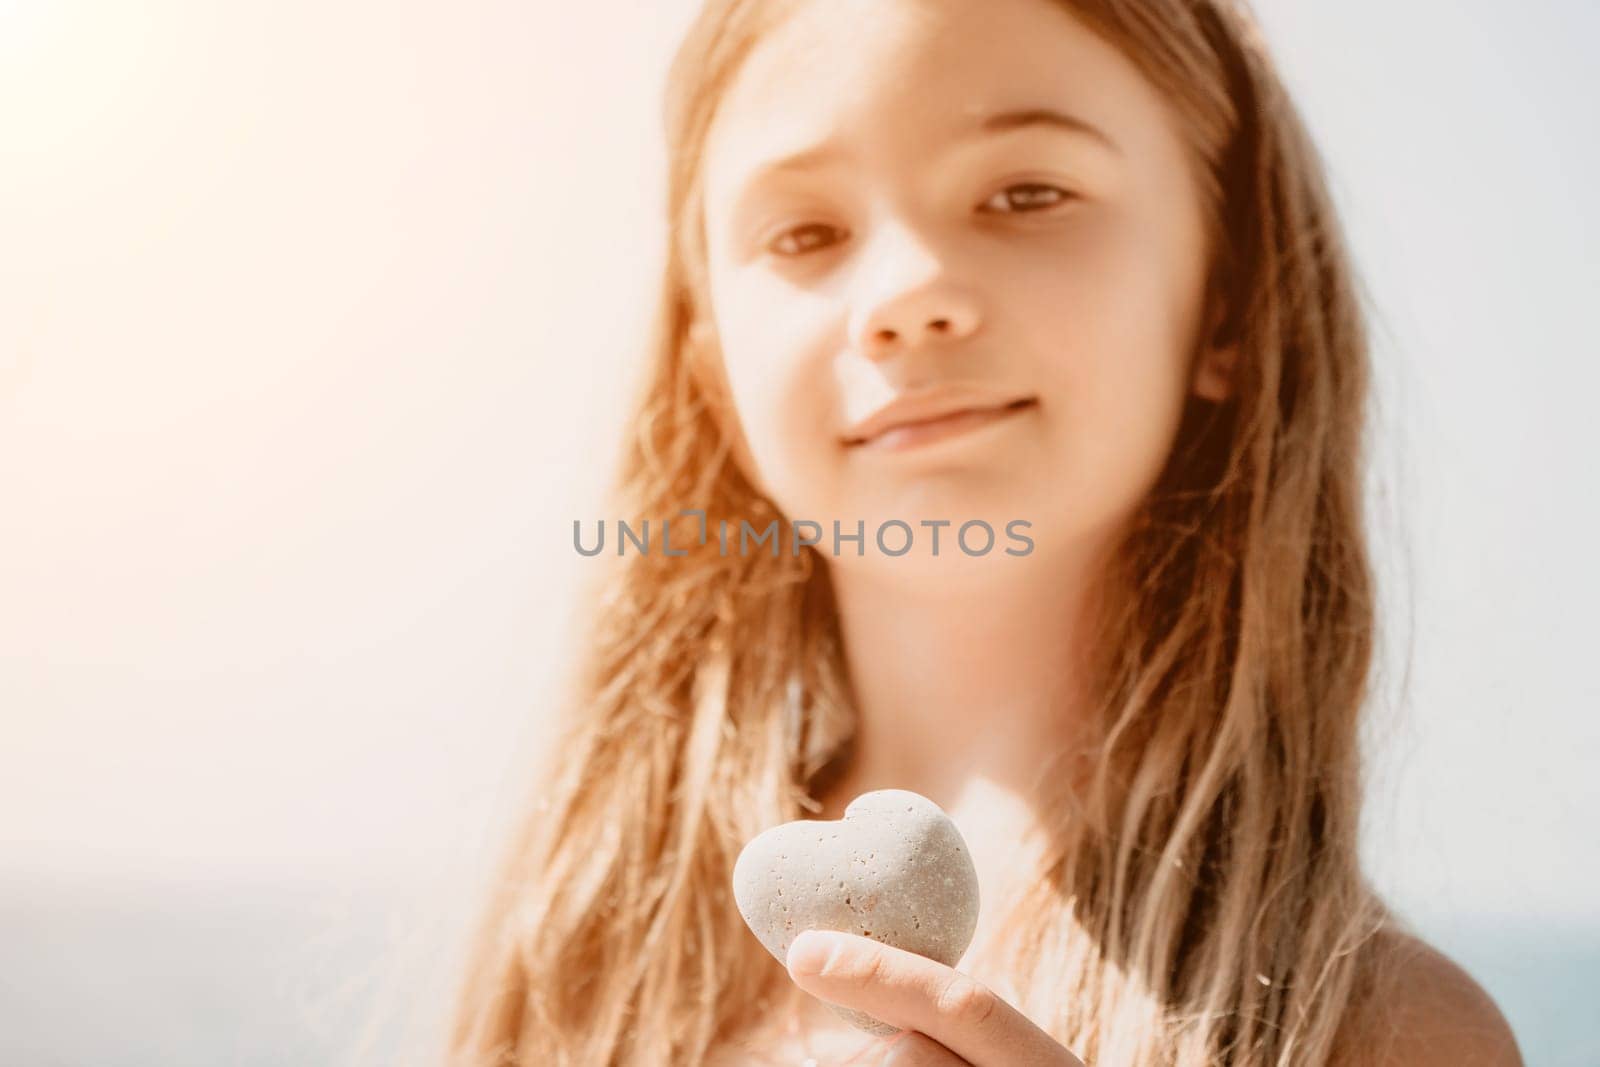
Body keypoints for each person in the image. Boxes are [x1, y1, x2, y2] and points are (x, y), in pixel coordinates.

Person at [447, 0, 1525, 1063]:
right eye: (804, 231)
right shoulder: (574, 973)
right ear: (714, 369)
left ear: (1229, 300)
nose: (907, 292)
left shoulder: (1379, 1033)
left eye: (1026, 191)